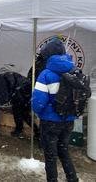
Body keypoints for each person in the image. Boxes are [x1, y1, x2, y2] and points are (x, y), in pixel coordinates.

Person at [33, 38, 79, 182]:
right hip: (69, 120)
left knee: (50, 156)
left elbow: (38, 102)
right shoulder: (75, 70)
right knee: (64, 150)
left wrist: (40, 113)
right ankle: (72, 178)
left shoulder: (46, 74)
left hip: (50, 122)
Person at [2, 71, 39, 138]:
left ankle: (19, 130)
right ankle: (36, 131)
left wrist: (9, 97)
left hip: (21, 96)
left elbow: (11, 87)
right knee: (25, 115)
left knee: (18, 113)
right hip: (26, 96)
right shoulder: (13, 76)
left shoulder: (7, 78)